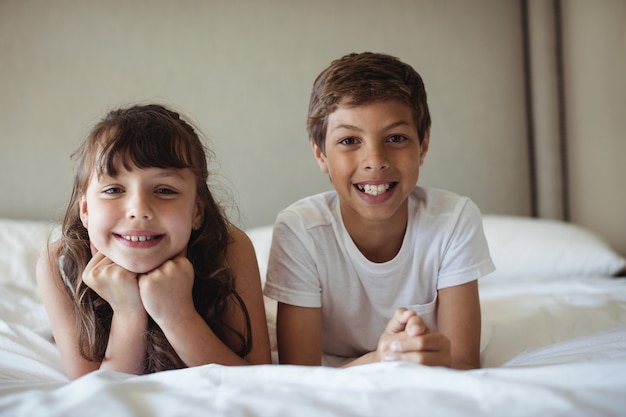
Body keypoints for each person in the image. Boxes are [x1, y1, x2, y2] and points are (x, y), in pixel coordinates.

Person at [263, 52, 495, 369]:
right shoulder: (300, 230)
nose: (375, 160)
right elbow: (301, 375)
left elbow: (463, 362)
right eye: (349, 140)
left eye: (396, 138)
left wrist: (407, 356)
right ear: (320, 154)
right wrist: (383, 359)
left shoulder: (453, 220)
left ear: (423, 145)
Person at [37, 104, 271, 379]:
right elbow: (94, 396)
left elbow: (257, 380)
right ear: (85, 210)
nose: (139, 209)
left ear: (197, 211)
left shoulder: (228, 248)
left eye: (164, 190)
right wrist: (127, 311)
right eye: (113, 190)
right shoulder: (59, 265)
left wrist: (178, 315)